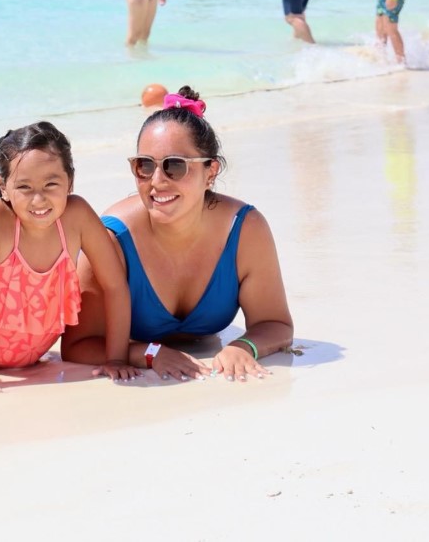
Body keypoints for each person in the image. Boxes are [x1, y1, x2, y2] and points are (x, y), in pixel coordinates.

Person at [73, 86, 294, 381]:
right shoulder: (111, 240)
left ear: (211, 171)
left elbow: (275, 324)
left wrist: (244, 347)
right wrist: (149, 353)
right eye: (144, 165)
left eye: (175, 166)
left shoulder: (244, 230)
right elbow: (79, 344)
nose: (157, 180)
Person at [0, 122, 139, 401]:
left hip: (28, 360)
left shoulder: (77, 216)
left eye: (51, 184)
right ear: (3, 187)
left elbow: (115, 285)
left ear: (70, 181)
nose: (38, 199)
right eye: (24, 187)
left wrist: (117, 359)